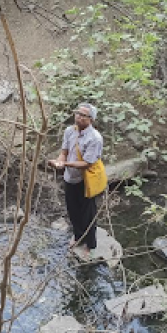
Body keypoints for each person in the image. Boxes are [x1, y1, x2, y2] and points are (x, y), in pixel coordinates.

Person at [48, 103, 104, 258]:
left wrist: (64, 164)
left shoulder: (95, 138)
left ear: (91, 119)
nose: (78, 116)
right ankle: (78, 236)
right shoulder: (69, 131)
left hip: (86, 180)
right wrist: (60, 161)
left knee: (88, 213)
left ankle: (90, 244)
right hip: (70, 178)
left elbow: (87, 163)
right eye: (77, 113)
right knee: (72, 209)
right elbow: (64, 151)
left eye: (83, 114)